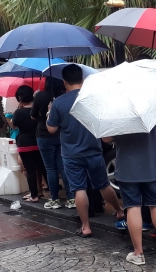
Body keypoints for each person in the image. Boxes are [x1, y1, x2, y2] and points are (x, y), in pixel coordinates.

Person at [46, 64, 124, 237]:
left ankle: (86, 226)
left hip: (71, 154)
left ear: (64, 82)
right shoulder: (92, 99)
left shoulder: (59, 102)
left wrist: (49, 115)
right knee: (103, 184)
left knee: (79, 189)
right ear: (82, 79)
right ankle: (119, 210)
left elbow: (51, 129)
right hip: (94, 150)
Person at [103, 117, 156, 265]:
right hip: (151, 167)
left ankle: (138, 253)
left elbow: (106, 138)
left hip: (126, 169)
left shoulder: (119, 113)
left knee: (132, 207)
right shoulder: (154, 110)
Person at [33, 82, 69, 210]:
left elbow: (33, 115)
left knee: (50, 168)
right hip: (61, 134)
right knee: (63, 167)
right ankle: (71, 198)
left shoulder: (40, 96)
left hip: (44, 135)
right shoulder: (64, 96)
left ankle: (55, 199)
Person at [9, 85, 46, 203]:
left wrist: (16, 110)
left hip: (24, 143)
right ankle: (53, 194)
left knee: (29, 169)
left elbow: (13, 125)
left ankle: (34, 195)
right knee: (44, 168)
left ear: (20, 98)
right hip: (39, 142)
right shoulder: (38, 110)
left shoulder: (19, 112)